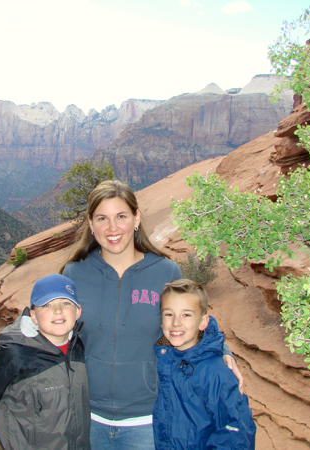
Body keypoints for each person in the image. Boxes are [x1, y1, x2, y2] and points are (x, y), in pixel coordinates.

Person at [61, 179, 243, 449]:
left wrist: (222, 351)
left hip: (147, 421)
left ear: (136, 218)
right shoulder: (74, 274)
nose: (112, 228)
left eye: (121, 216)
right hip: (86, 420)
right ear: (90, 223)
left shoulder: (165, 272)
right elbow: (50, 329)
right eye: (102, 218)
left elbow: (186, 323)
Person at [0, 274, 91, 450]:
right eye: (47, 305)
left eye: (66, 303)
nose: (58, 311)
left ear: (78, 312)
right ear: (34, 316)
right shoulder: (16, 356)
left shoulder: (79, 349)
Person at [153, 279, 256, 449]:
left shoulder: (216, 372)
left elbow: (236, 431)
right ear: (161, 320)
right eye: (169, 314)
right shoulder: (164, 358)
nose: (176, 323)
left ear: (203, 322)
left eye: (186, 315)